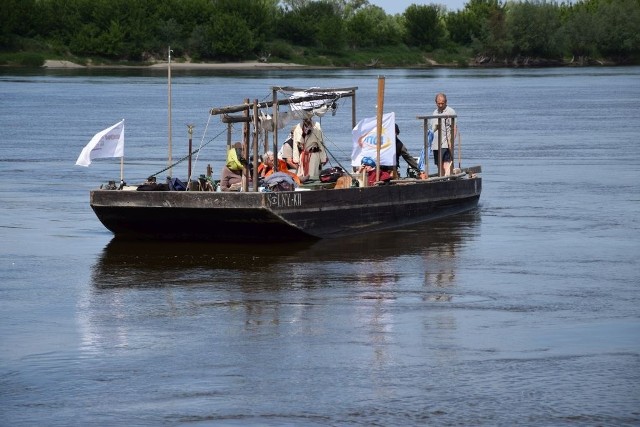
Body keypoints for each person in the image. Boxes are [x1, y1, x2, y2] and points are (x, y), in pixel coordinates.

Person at [431, 93, 456, 176]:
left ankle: (447, 178)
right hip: (435, 144)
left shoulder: (450, 111)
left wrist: (451, 142)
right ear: (436, 103)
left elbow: (454, 128)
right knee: (439, 164)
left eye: (442, 103)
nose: (440, 105)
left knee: (446, 163)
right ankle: (441, 178)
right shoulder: (435, 112)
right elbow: (432, 128)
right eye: (439, 103)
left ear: (446, 102)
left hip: (445, 143)